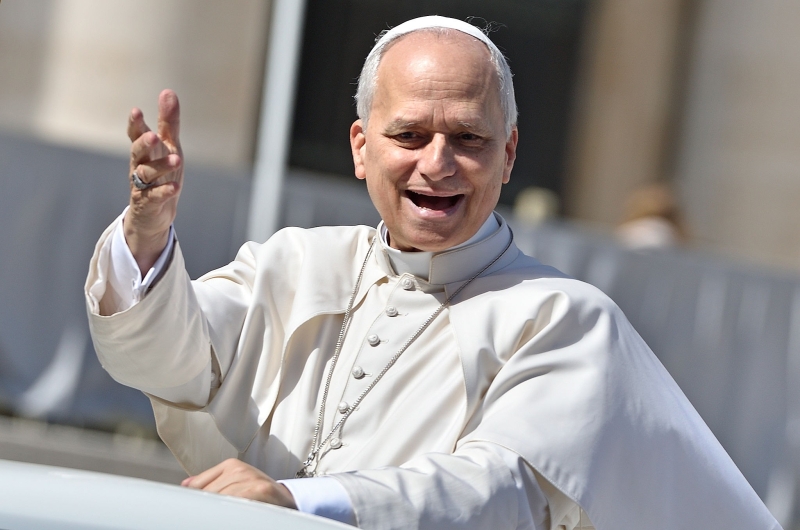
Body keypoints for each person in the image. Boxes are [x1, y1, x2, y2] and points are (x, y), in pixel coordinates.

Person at [85, 16, 779, 530]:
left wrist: (300, 502)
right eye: (410, 135)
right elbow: (165, 361)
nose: (438, 163)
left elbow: (498, 493)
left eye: (469, 139)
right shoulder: (295, 263)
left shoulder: (563, 318)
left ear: (509, 154)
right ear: (362, 147)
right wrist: (147, 233)